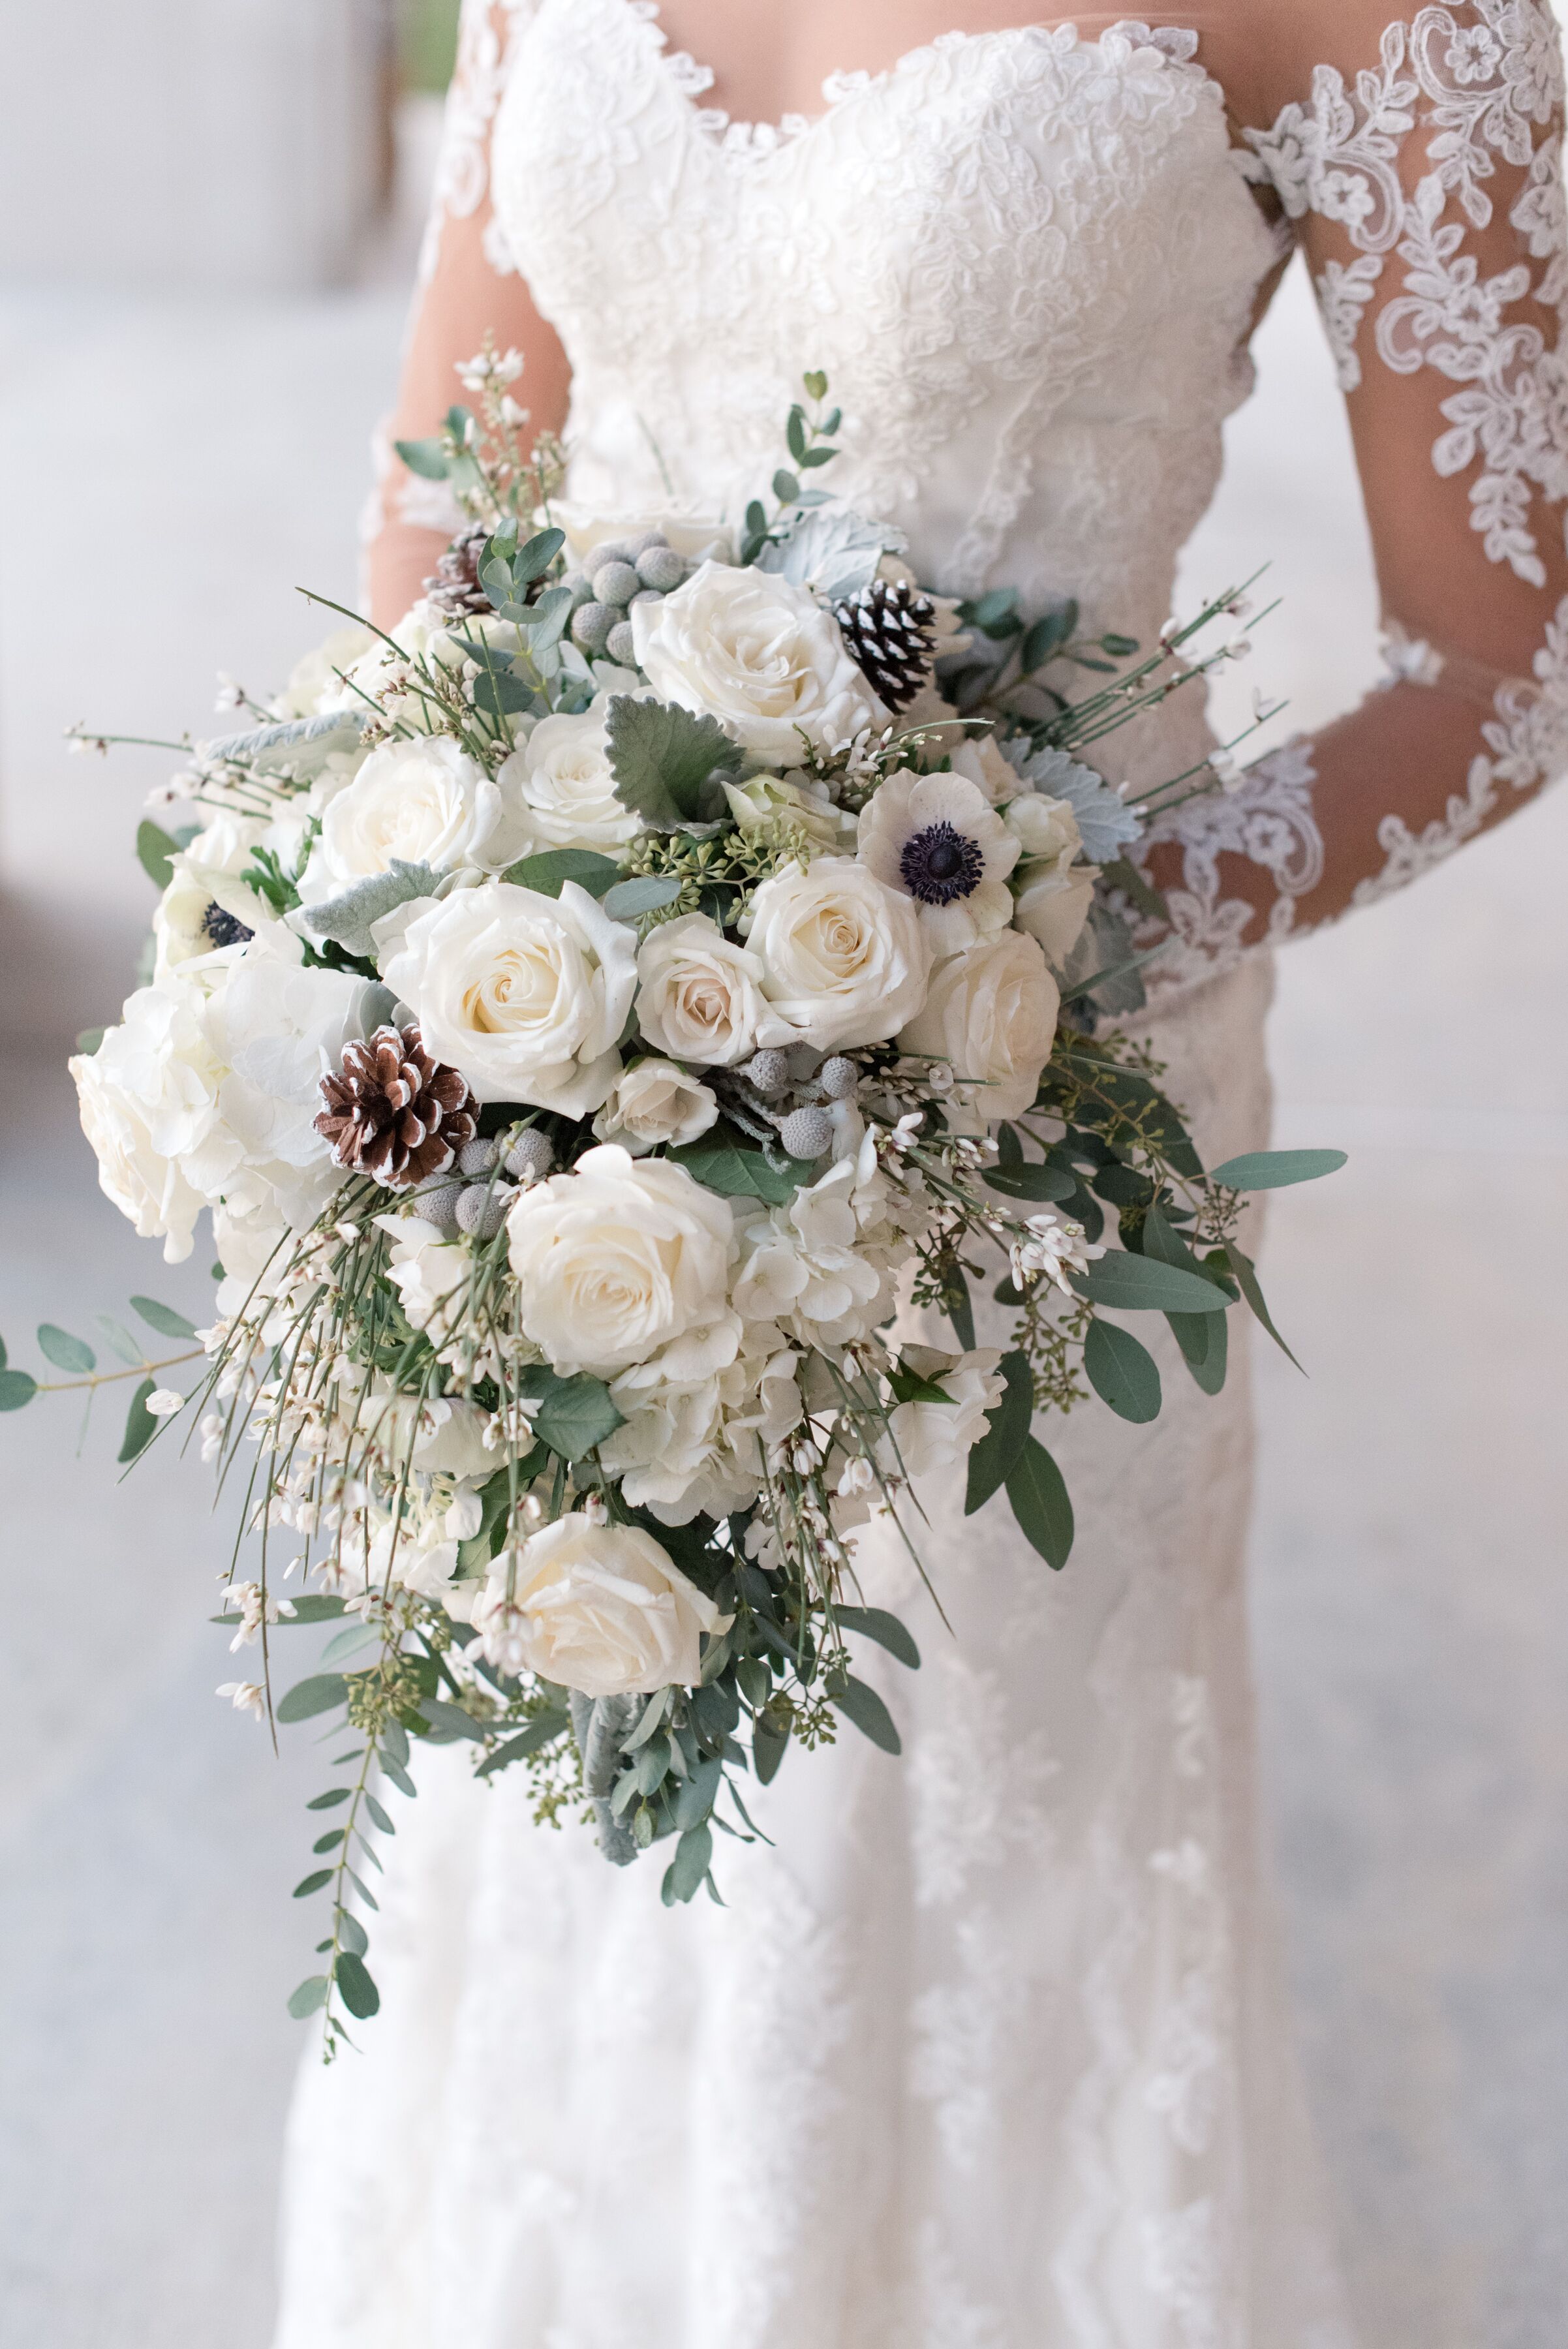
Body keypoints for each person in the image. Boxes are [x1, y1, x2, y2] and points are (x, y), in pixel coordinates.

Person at [274, 6, 1568, 2342]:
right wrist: (503, 895)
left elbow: (1496, 655)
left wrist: (1013, 951)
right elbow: (448, 493)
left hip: (1022, 1113)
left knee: (966, 1805)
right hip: (562, 1061)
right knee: (573, 1720)